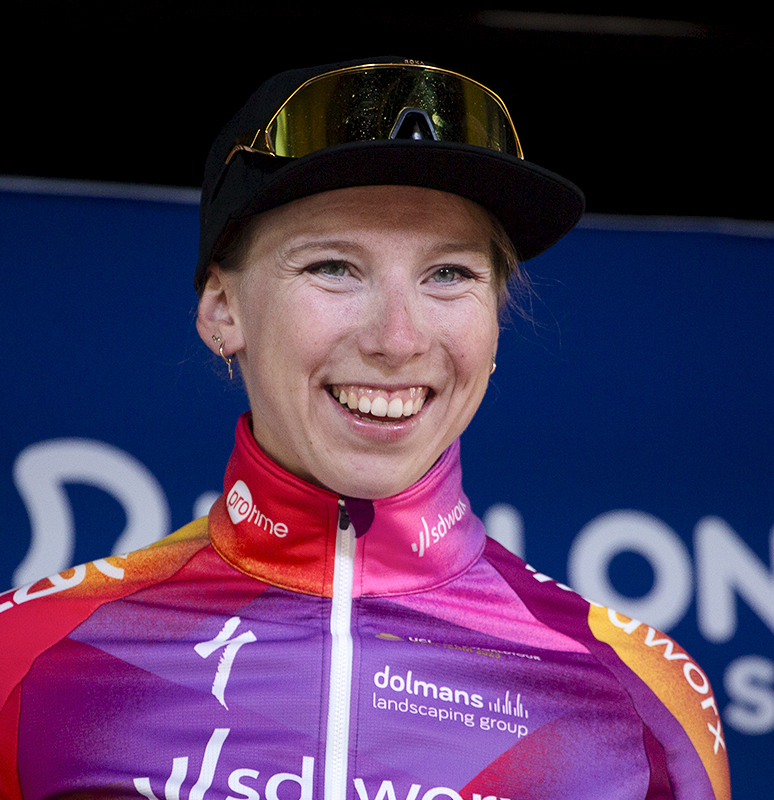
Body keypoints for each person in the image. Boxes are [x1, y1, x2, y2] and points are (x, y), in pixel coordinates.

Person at [0, 58, 730, 800]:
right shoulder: (27, 660)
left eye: (449, 274)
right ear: (223, 309)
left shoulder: (644, 704)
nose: (397, 339)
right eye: (333, 267)